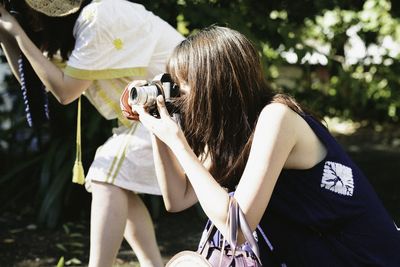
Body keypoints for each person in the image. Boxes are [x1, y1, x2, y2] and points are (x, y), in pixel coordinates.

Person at [121, 26, 400, 266]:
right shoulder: (233, 134)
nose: (178, 98)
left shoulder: (277, 118)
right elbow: (177, 198)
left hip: (361, 257)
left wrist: (177, 141)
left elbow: (236, 226)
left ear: (215, 86)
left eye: (183, 87)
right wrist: (157, 126)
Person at [0, 0, 184, 266]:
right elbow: (37, 81)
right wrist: (6, 34)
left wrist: (16, 32)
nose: (31, 20)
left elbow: (65, 92)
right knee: (115, 182)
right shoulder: (81, 26)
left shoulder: (97, 18)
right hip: (156, 110)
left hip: (180, 107)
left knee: (105, 175)